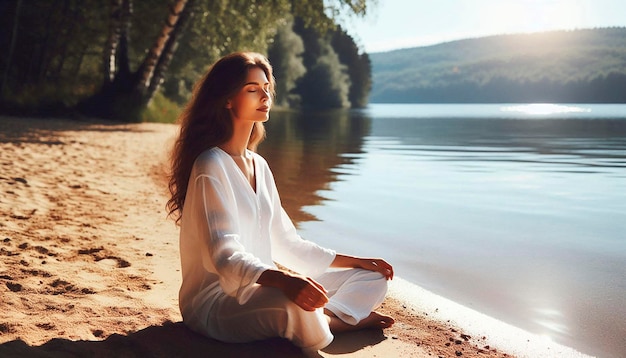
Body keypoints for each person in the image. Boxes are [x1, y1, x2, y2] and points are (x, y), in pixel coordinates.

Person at [167, 52, 394, 353]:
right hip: (216, 304)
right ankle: (341, 322)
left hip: (261, 287)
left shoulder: (259, 165)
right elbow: (224, 255)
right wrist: (285, 281)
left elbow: (287, 243)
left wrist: (355, 261)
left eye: (266, 87)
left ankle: (326, 317)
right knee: (295, 302)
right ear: (227, 100)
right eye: (252, 89)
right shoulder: (210, 165)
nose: (265, 95)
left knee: (373, 278)